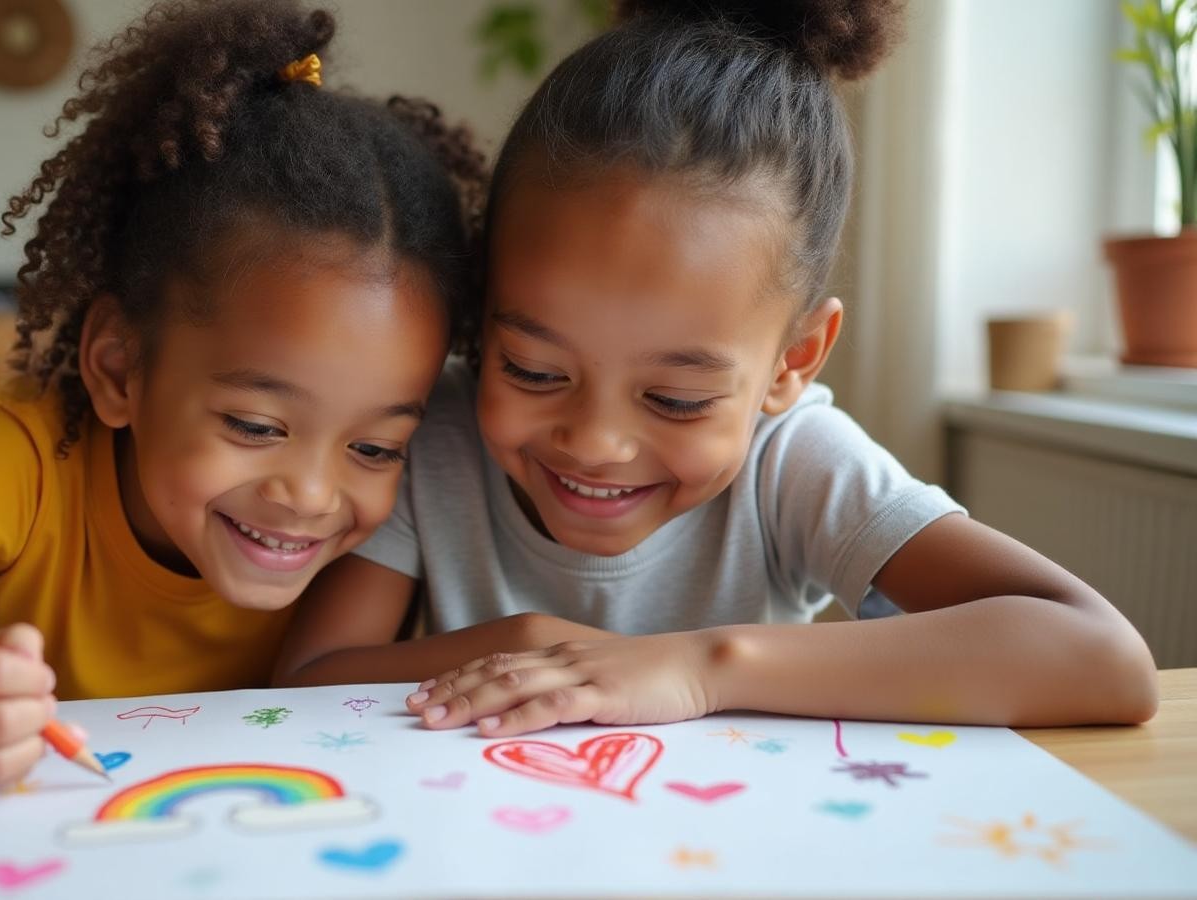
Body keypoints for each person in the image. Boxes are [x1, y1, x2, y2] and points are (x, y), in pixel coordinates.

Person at [274, 0, 1158, 737]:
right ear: (479, 318)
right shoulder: (440, 442)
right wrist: (536, 638)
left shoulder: (794, 464)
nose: (595, 441)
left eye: (675, 397)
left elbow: (1102, 658)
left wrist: (701, 665)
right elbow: (302, 685)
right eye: (535, 370)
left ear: (792, 361)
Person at [0, 0, 486, 795]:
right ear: (116, 367)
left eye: (374, 447)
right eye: (254, 424)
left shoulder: (364, 531)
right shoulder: (13, 463)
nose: (313, 496)